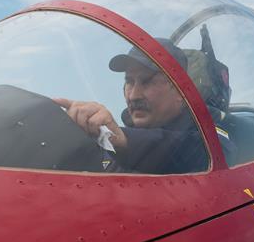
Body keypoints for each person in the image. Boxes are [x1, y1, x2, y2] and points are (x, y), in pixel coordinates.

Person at [54, 38, 232, 174]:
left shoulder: (210, 136)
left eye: (147, 81)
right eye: (129, 82)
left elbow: (198, 153)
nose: (133, 95)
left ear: (180, 92)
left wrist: (122, 141)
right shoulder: (114, 140)